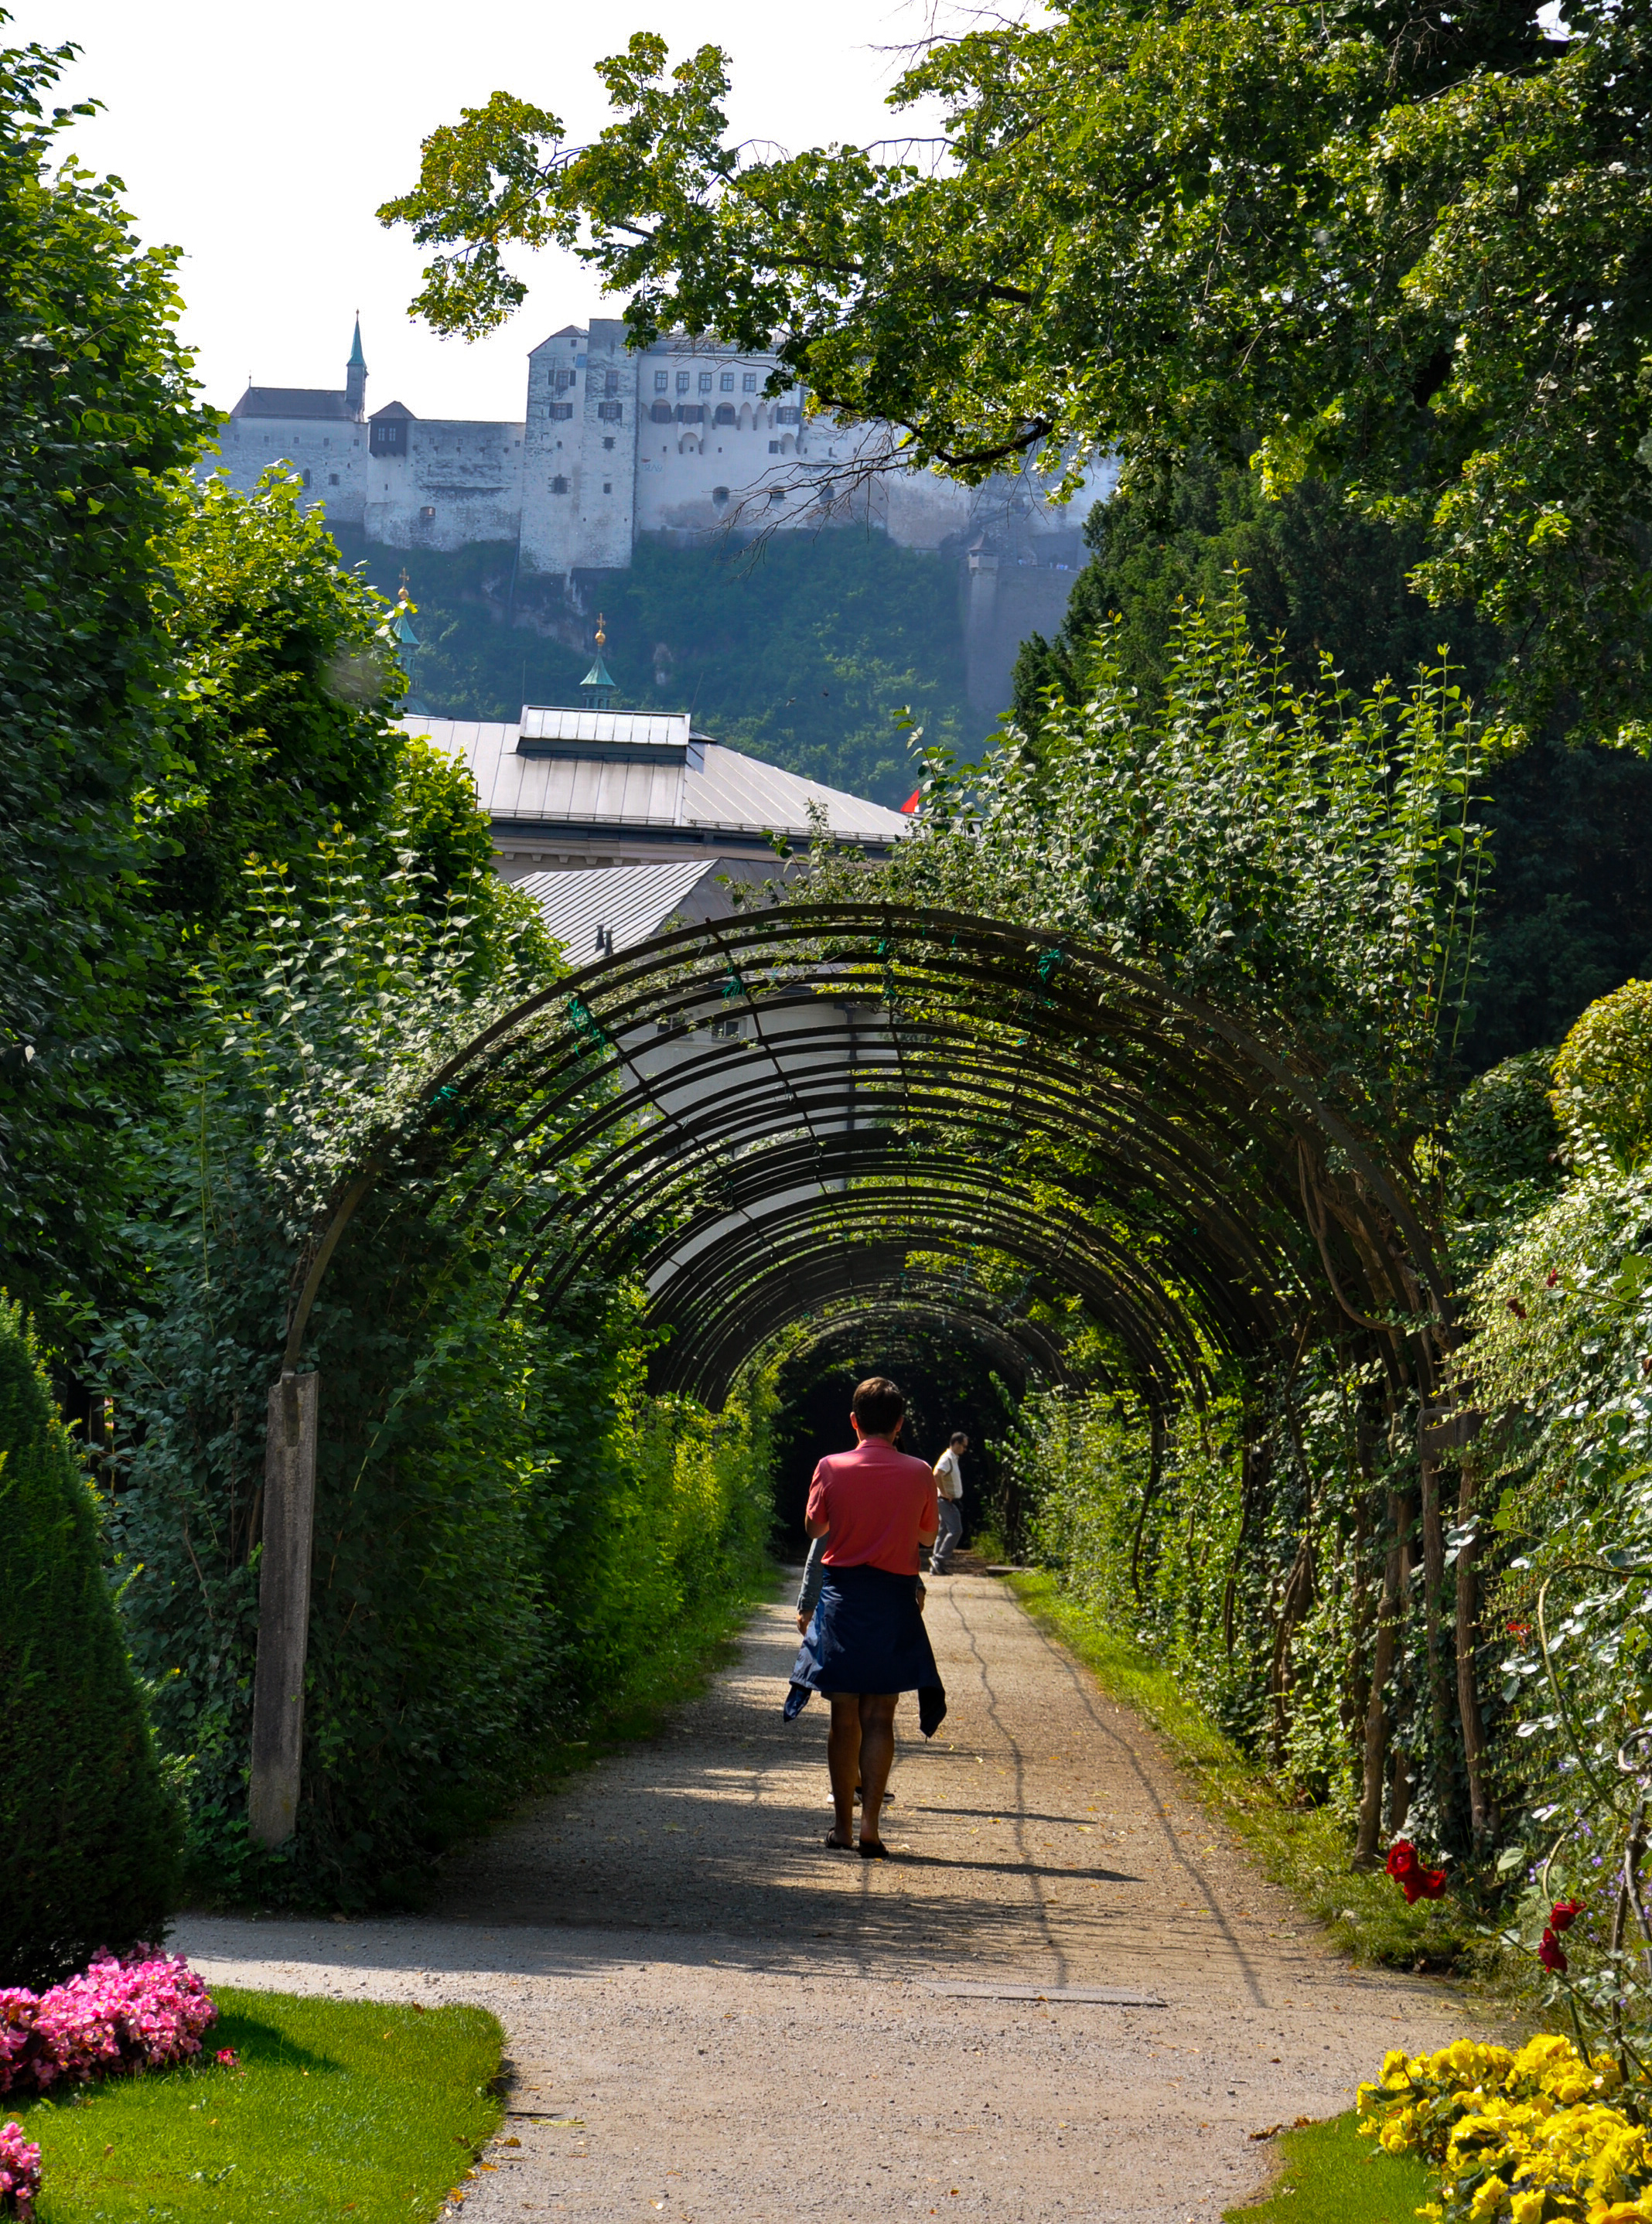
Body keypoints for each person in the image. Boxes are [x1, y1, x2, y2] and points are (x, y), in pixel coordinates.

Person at [783, 1376, 947, 1856]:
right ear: (900, 1425)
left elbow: (816, 1527)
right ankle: (872, 1827)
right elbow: (924, 1537)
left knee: (843, 1715)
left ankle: (841, 1827)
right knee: (881, 1715)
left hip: (842, 1601)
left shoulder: (830, 1466)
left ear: (854, 1421)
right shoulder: (920, 1472)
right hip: (893, 1601)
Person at [930, 1431, 968, 1574]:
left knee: (943, 1531)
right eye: (963, 1446)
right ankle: (939, 1559)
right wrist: (944, 1493)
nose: (965, 1450)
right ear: (956, 1444)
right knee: (956, 1530)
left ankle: (936, 1567)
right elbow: (936, 1474)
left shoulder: (953, 1458)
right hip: (945, 1501)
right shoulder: (947, 1458)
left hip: (945, 1500)